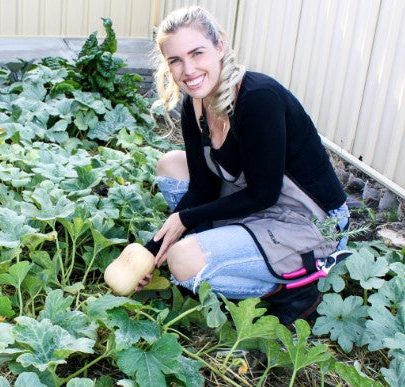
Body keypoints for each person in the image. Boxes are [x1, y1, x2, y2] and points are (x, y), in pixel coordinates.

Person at [132, 6, 350, 328]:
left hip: (308, 219)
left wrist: (184, 219)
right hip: (256, 199)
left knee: (182, 262)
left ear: (220, 46)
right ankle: (231, 247)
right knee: (171, 166)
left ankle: (293, 289)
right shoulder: (194, 102)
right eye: (175, 60)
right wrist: (149, 253)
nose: (188, 69)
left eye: (197, 53)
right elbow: (203, 188)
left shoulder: (259, 99)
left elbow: (264, 194)